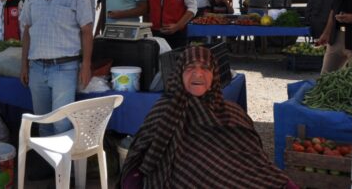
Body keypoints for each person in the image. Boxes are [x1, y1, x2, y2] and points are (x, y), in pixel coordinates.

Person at [120, 46, 292, 189]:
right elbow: (140, 154)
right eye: (190, 68)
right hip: (183, 176)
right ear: (179, 75)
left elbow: (254, 157)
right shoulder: (165, 110)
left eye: (205, 68)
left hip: (238, 176)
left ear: (214, 76)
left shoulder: (232, 111)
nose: (198, 74)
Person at [20, 0, 94, 136]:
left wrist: (86, 65)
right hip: (36, 68)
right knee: (43, 123)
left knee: (61, 125)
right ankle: (48, 166)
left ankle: (64, 167)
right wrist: (24, 65)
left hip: (65, 68)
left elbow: (87, 30)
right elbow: (27, 29)